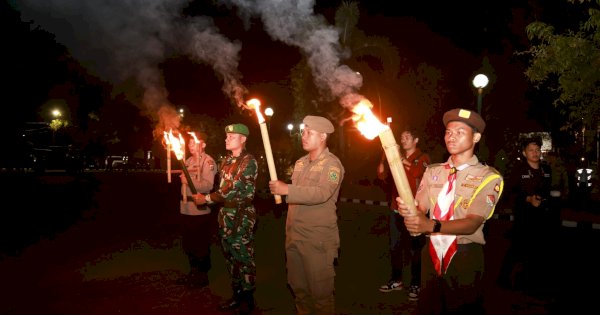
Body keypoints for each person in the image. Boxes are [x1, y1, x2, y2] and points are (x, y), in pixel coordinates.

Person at [396, 108, 504, 315]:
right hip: (432, 252)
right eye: (448, 132)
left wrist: (431, 225)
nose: (451, 136)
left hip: (464, 255)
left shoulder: (488, 177)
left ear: (476, 137)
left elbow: (473, 222)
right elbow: (421, 207)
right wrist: (410, 210)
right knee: (429, 307)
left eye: (459, 132)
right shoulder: (433, 171)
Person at [268, 115, 345, 315]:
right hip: (294, 236)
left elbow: (321, 193)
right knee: (299, 290)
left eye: (309, 133)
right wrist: (283, 189)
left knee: (321, 296)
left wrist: (287, 189)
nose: (303, 136)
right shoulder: (300, 163)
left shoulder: (332, 165)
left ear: (323, 136)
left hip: (316, 240)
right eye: (303, 132)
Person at [193, 123, 258, 315]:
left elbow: (231, 188)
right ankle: (237, 295)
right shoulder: (227, 161)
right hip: (225, 215)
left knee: (244, 257)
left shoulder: (249, 161)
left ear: (243, 139)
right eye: (227, 136)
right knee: (230, 257)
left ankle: (248, 299)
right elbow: (221, 187)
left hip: (241, 215)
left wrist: (206, 198)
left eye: (232, 136)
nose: (227, 139)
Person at [376, 127, 430, 301]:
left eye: (407, 136)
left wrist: (399, 159)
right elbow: (382, 175)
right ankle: (396, 279)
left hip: (415, 210)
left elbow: (418, 173)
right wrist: (385, 155)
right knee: (395, 247)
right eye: (401, 137)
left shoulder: (423, 158)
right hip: (395, 209)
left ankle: (416, 283)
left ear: (416, 140)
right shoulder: (395, 157)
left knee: (415, 249)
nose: (403, 139)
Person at [497, 137, 555, 297]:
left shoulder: (546, 170)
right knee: (517, 248)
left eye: (537, 150)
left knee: (539, 250)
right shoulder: (518, 171)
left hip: (542, 217)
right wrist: (527, 199)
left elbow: (548, 191)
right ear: (524, 153)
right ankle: (503, 278)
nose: (535, 153)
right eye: (531, 150)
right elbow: (509, 192)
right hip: (524, 217)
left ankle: (532, 283)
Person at [176, 131, 218, 288]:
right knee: (188, 243)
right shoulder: (187, 160)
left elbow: (208, 185)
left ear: (204, 144)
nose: (191, 146)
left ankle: (202, 275)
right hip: (185, 208)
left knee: (200, 243)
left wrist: (189, 180)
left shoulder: (208, 162)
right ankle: (193, 271)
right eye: (190, 143)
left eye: (195, 142)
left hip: (198, 210)